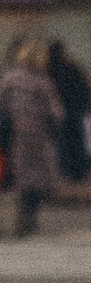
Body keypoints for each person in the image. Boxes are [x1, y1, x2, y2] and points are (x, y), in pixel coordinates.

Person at [0, 39, 65, 237]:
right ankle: (29, 215)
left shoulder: (8, 79)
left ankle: (18, 215)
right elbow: (56, 113)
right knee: (38, 179)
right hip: (39, 138)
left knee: (17, 175)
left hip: (14, 136)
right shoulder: (44, 82)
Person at [44, 33, 89, 186]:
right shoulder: (73, 68)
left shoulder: (47, 71)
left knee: (61, 144)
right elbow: (84, 89)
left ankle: (64, 173)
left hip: (57, 113)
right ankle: (78, 173)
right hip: (74, 111)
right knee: (77, 142)